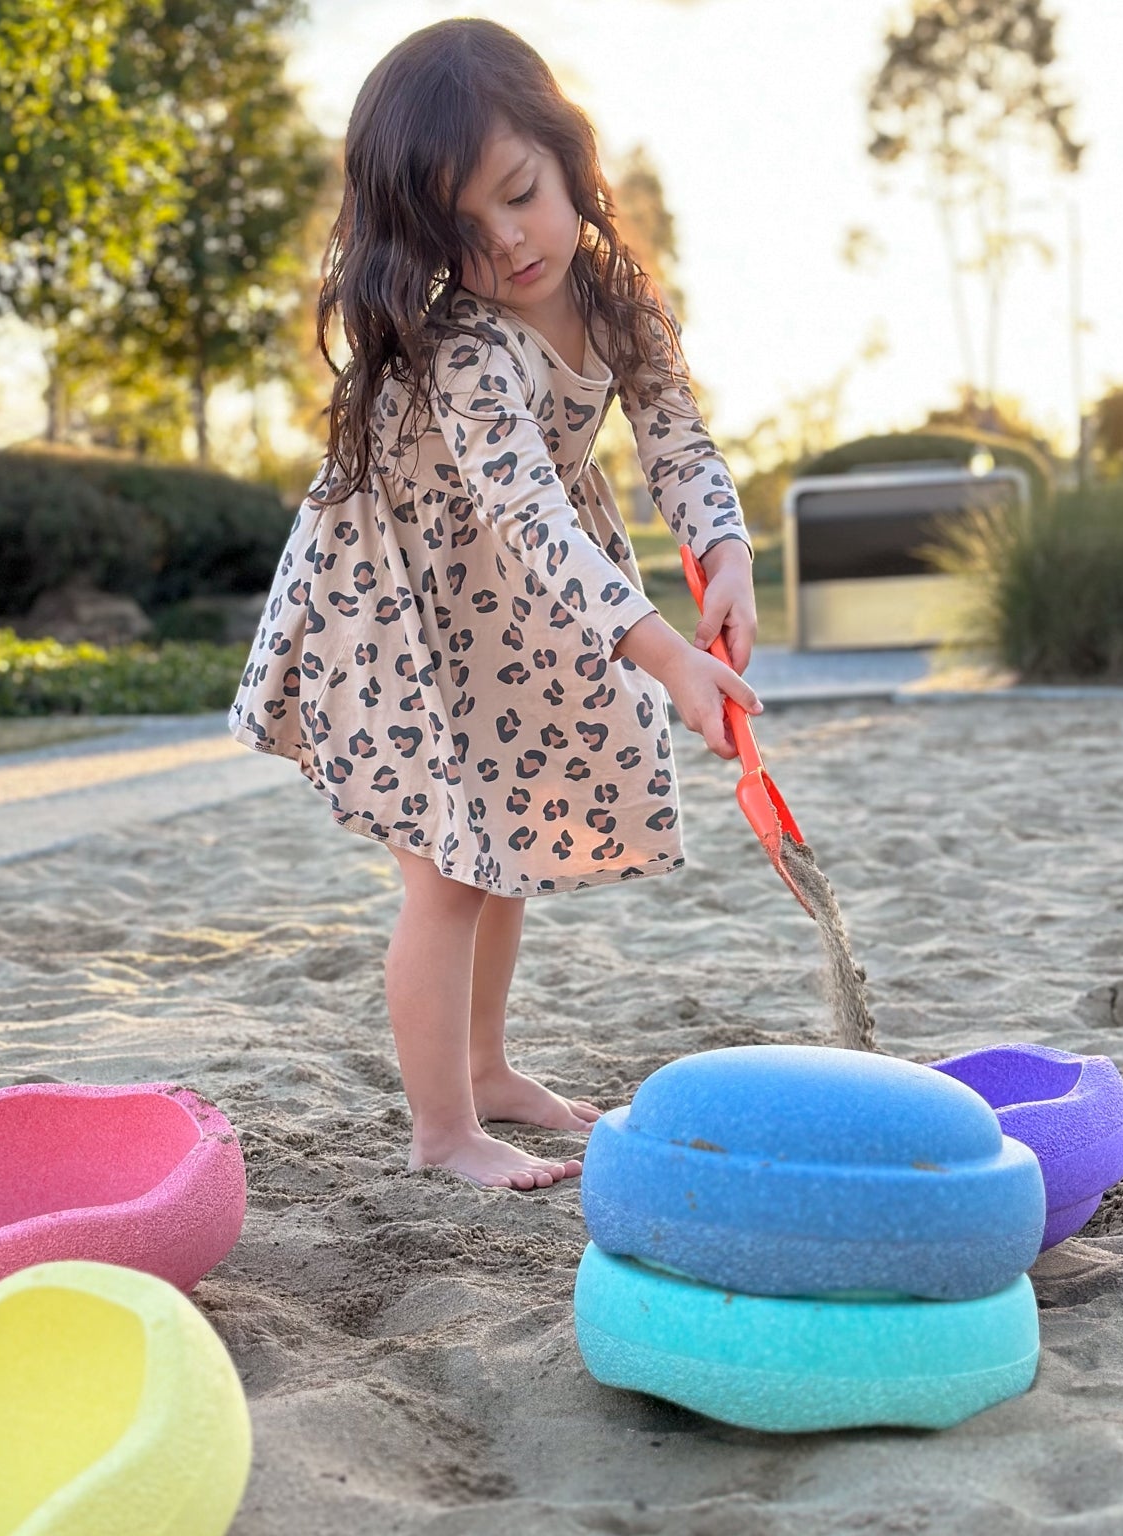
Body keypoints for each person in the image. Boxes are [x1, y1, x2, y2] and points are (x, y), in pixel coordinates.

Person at [229, 18, 762, 1190]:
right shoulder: (467, 346)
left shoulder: (620, 299)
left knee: (505, 839)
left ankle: (489, 1068)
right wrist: (663, 654)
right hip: (404, 600)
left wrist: (724, 552)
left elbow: (678, 441)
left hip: (516, 607)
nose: (508, 241)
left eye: (521, 193)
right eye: (461, 230)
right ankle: (442, 1130)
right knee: (448, 867)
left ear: (569, 156)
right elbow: (527, 516)